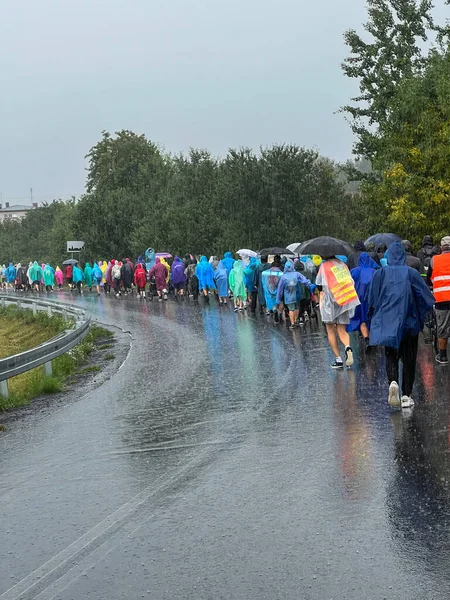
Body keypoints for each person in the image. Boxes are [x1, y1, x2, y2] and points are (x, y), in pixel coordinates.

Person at [368, 241, 434, 409]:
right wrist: (420, 317)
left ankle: (393, 382)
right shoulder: (411, 273)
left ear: (388, 257)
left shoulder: (380, 274)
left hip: (388, 324)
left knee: (391, 355)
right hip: (409, 323)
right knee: (409, 359)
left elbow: (372, 299)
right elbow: (424, 296)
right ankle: (406, 395)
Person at [316, 255, 360, 369]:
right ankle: (347, 347)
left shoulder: (324, 266)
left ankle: (338, 360)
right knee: (342, 329)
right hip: (343, 300)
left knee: (330, 330)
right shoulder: (342, 265)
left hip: (329, 302)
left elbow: (319, 286)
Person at [347, 252, 379, 351]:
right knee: (373, 318)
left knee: (362, 319)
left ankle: (366, 339)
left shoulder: (354, 271)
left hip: (359, 298)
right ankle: (374, 339)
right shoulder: (375, 272)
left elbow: (349, 284)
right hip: (373, 298)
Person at [429, 236, 450, 365]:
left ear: (441, 247)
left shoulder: (434, 260)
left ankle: (443, 356)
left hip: (441, 299)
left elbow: (430, 280)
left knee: (442, 327)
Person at [276, 261, 312, 329]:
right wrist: (310, 286)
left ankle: (292, 323)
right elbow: (305, 281)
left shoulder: (284, 277)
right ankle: (295, 321)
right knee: (297, 307)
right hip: (297, 294)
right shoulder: (297, 274)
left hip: (288, 296)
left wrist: (279, 298)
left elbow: (280, 288)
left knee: (291, 309)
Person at [262, 255, 283, 321]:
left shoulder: (265, 273)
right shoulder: (281, 273)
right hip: (278, 289)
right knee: (279, 301)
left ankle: (274, 310)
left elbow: (264, 283)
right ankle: (279, 312)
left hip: (270, 289)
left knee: (272, 301)